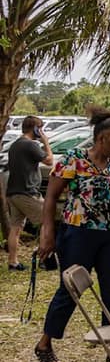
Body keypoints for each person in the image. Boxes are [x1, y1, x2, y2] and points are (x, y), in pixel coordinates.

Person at [34, 109, 110, 362]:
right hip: (79, 233)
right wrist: (48, 233)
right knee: (72, 289)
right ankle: (45, 341)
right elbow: (51, 197)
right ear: (101, 139)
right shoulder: (75, 159)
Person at [6, 115, 53, 271]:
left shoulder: (15, 145)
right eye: (40, 128)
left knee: (16, 228)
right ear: (35, 129)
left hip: (14, 192)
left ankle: (13, 262)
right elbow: (49, 161)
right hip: (27, 193)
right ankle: (44, 259)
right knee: (47, 221)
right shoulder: (29, 145)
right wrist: (45, 142)